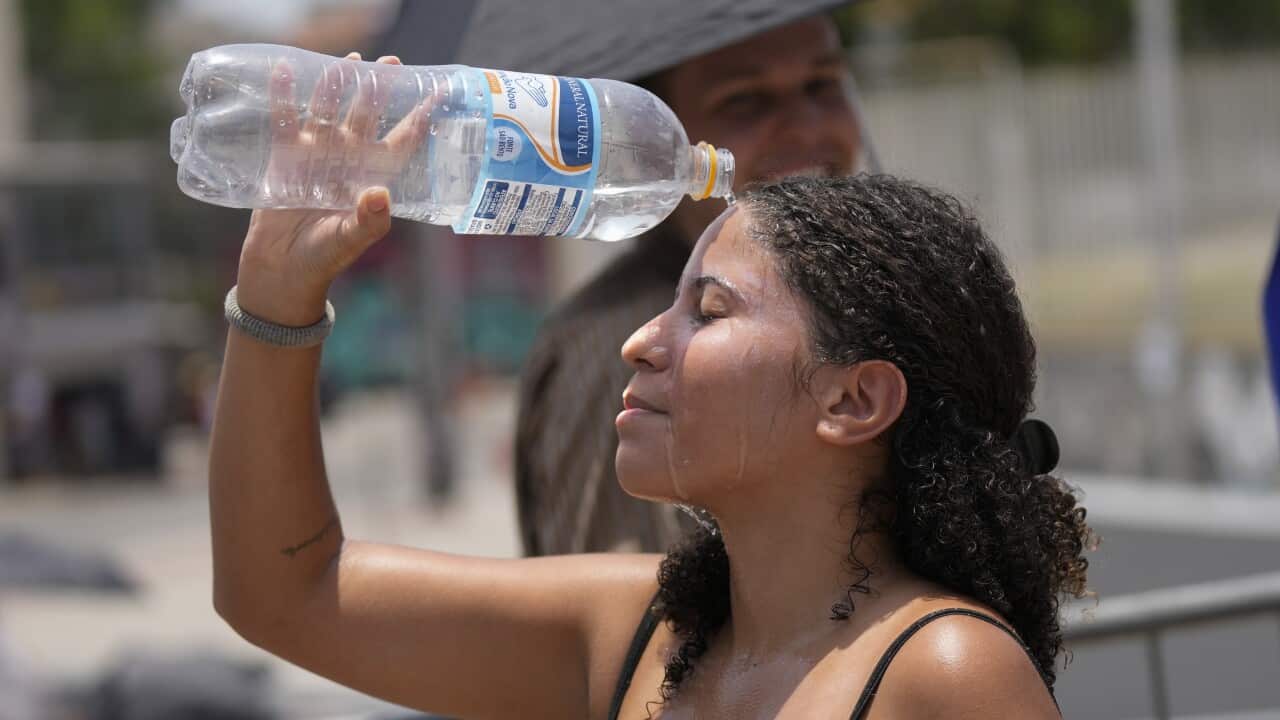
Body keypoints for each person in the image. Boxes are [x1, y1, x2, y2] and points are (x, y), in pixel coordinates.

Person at [207, 60, 1091, 714]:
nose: (639, 343)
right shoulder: (638, 628)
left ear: (852, 400)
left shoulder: (944, 671)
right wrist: (278, 300)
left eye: (708, 311)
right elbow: (285, 593)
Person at [515, 13, 871, 555]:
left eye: (822, 84)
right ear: (651, 141)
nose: (807, 129)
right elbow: (631, 626)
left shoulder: (848, 305)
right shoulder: (626, 353)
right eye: (745, 100)